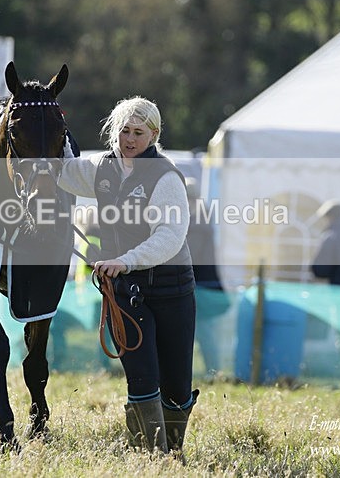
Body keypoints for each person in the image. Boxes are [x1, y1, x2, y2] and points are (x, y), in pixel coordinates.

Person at [58, 96, 198, 455]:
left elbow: (169, 236)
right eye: (124, 131)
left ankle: (173, 452)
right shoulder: (102, 168)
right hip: (124, 292)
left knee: (177, 387)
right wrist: (49, 129)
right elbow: (63, 171)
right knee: (141, 379)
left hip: (172, 290)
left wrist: (125, 260)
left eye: (138, 132)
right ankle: (151, 459)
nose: (130, 139)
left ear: (154, 134)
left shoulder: (165, 176)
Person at [184, 177, 230, 377]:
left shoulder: (196, 223)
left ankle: (213, 371)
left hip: (199, 284)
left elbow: (190, 257)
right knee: (202, 330)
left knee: (203, 331)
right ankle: (211, 370)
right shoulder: (201, 218)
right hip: (202, 283)